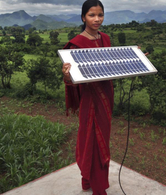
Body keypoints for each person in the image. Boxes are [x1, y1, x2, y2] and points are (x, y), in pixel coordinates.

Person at [61, 1, 113, 195]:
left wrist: (135, 59)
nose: (97, 19)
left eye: (100, 14)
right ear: (83, 17)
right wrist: (67, 75)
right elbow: (73, 80)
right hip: (90, 99)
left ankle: (87, 182)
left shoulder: (106, 38)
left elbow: (110, 66)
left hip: (106, 95)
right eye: (92, 15)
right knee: (91, 140)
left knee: (103, 140)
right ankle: (98, 188)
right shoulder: (76, 44)